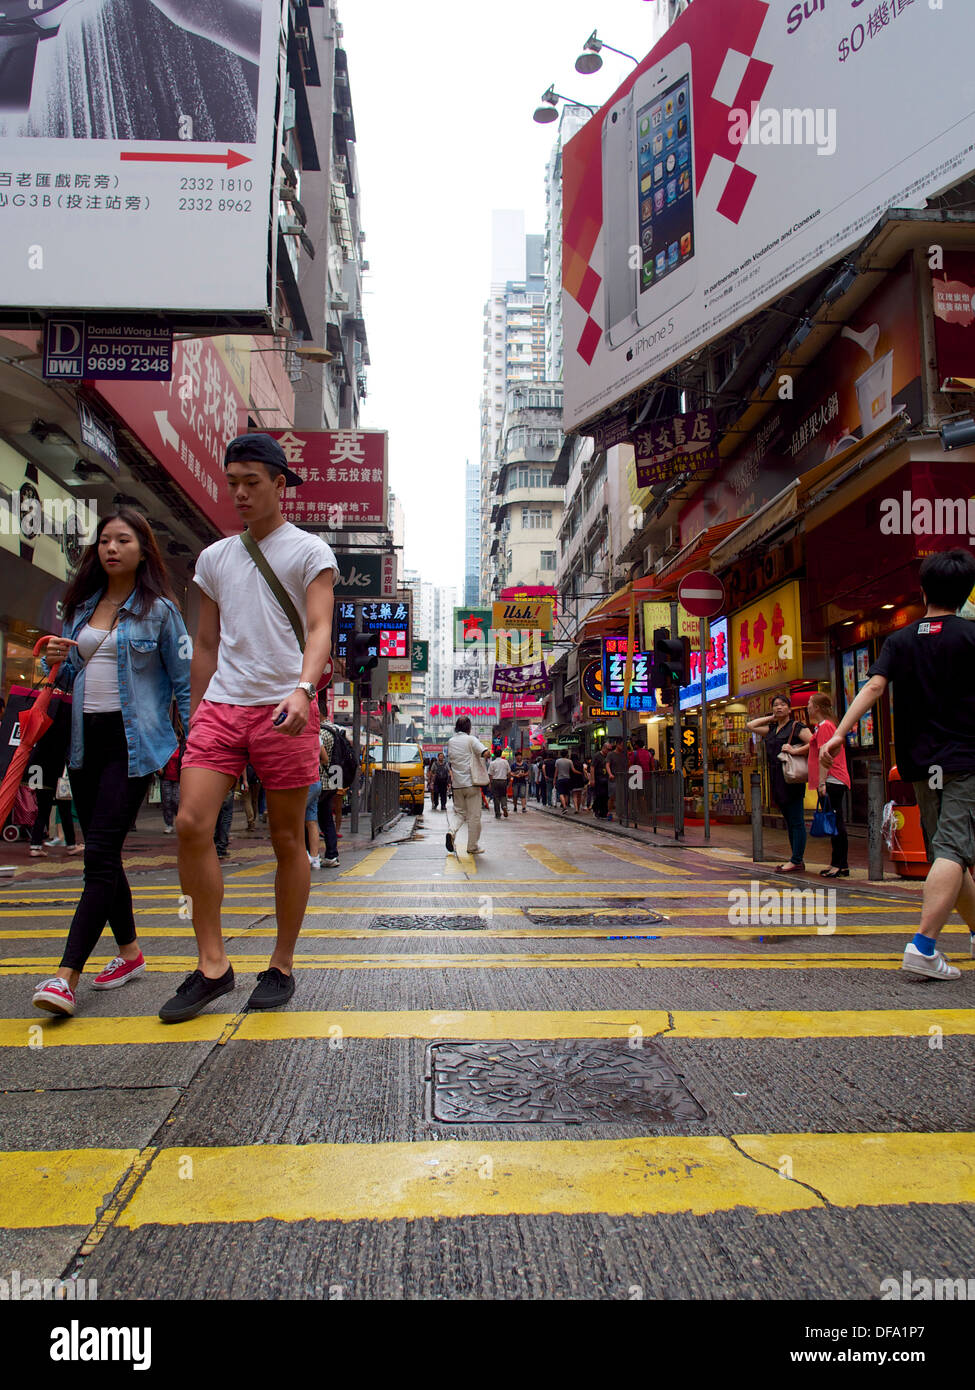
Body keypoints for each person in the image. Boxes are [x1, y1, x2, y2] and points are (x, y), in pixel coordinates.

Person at [161, 432, 337, 1023]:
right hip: (223, 706)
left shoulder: (310, 552)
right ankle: (213, 965)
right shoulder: (214, 558)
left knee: (287, 839)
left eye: (251, 482)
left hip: (286, 709)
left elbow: (318, 630)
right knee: (190, 823)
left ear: (280, 485)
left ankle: (281, 963)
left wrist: (304, 689)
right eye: (232, 482)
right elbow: (206, 642)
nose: (238, 493)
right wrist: (195, 709)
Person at [31, 509, 190, 1018]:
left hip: (133, 744)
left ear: (143, 549)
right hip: (84, 744)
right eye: (104, 540)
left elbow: (184, 683)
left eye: (123, 540)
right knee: (103, 855)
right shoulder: (81, 607)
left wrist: (197, 746)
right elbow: (58, 672)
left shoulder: (161, 611)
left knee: (97, 855)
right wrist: (53, 654)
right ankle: (130, 953)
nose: (111, 548)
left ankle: (64, 977)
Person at [822, 548, 975, 981]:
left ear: (923, 590)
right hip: (965, 761)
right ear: (964, 594)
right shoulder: (971, 636)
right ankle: (923, 947)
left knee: (950, 851)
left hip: (920, 764)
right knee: (953, 850)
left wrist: (839, 733)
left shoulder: (901, 640)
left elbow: (873, 688)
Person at [788, 693, 850, 877]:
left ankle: (840, 864)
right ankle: (837, 863)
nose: (807, 707)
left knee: (835, 822)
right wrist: (794, 750)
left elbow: (825, 755)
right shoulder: (822, 727)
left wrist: (822, 782)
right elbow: (814, 746)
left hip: (832, 779)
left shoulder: (826, 727)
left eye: (809, 703)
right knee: (834, 821)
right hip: (830, 780)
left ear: (816, 708)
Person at [747, 694, 808, 873]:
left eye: (782, 705)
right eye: (775, 705)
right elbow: (750, 725)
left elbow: (814, 743)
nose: (779, 707)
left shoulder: (796, 727)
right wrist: (772, 717)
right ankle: (796, 858)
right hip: (776, 777)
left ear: (790, 709)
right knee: (789, 820)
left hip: (791, 776)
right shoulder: (772, 729)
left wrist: (795, 751)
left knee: (796, 819)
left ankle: (796, 860)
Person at [445, 715, 489, 855]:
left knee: (459, 813)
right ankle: (472, 846)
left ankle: (451, 832)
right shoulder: (471, 739)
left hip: (457, 784)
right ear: (468, 728)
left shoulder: (451, 741)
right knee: (474, 816)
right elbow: (485, 753)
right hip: (471, 783)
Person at [159, 744, 181, 834]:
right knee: (166, 802)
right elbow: (159, 758)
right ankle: (169, 824)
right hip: (166, 778)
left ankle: (181, 820)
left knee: (176, 800)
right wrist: (159, 768)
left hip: (178, 779)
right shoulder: (166, 746)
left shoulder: (183, 748)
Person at [488, 749, 511, 818]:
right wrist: (508, 781)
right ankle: (504, 806)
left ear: (494, 755)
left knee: (496, 797)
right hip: (503, 781)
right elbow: (509, 772)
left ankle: (498, 814)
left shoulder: (492, 763)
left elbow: (490, 775)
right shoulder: (505, 762)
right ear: (501, 754)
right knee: (503, 795)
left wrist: (490, 783)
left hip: (495, 781)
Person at [591, 743, 610, 819]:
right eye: (608, 749)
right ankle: (596, 810)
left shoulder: (608, 756)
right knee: (599, 795)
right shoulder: (597, 756)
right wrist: (592, 779)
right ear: (604, 748)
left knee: (605, 796)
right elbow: (592, 767)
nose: (609, 751)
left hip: (606, 779)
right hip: (598, 779)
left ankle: (603, 812)